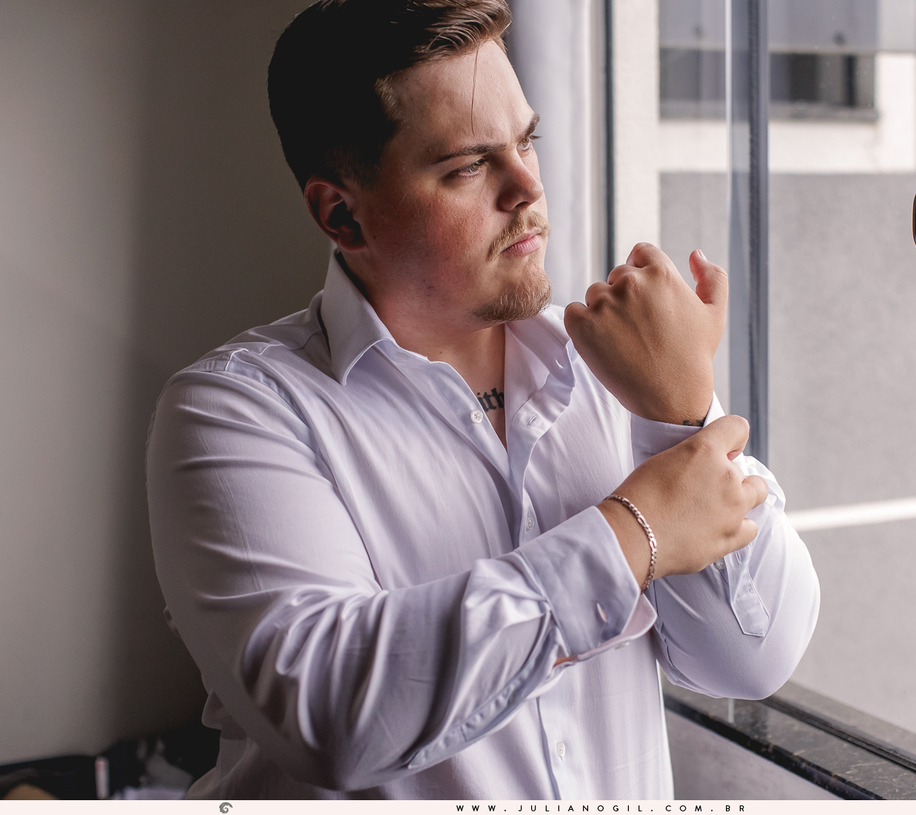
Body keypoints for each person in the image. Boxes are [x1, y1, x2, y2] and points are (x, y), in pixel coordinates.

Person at [147, 0, 819, 800]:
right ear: (342, 213)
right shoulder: (232, 413)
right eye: (468, 166)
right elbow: (332, 713)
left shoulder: (619, 372)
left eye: (526, 141)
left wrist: (681, 416)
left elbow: (753, 657)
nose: (528, 187)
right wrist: (635, 532)